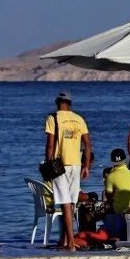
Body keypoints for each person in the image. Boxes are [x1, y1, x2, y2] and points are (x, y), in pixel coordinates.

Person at [44, 90, 92, 250]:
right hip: (76, 165)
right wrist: (86, 165)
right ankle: (64, 240)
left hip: (60, 166)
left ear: (57, 102)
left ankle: (71, 242)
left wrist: (48, 165)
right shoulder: (79, 119)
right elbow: (87, 145)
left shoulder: (53, 118)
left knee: (65, 204)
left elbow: (50, 146)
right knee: (71, 204)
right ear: (70, 103)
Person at [103, 148, 130, 214]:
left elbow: (108, 196)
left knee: (101, 207)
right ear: (125, 160)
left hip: (120, 210)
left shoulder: (111, 176)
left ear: (112, 161)